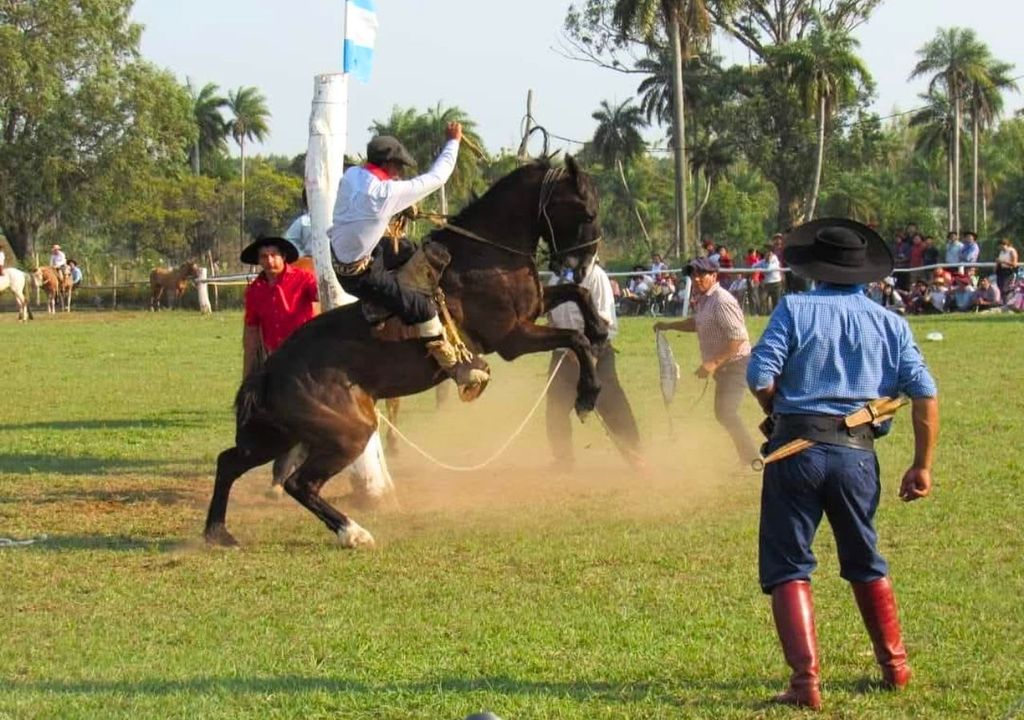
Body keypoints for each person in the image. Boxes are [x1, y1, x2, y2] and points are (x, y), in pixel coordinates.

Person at [746, 218, 938, 710]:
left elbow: (758, 374)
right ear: (864, 272)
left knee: (789, 564)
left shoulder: (794, 308)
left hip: (795, 453)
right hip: (857, 455)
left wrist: (780, 414)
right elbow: (924, 393)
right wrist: (922, 465)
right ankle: (895, 669)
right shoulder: (891, 322)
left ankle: (805, 683)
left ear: (815, 268)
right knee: (864, 559)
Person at [328, 121, 488, 396]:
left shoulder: (353, 175)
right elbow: (438, 177)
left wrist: (400, 207)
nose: (401, 172)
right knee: (421, 308)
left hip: (352, 254)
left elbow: (364, 214)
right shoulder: (385, 193)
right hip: (360, 276)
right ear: (389, 165)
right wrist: (453, 141)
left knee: (415, 250)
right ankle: (454, 368)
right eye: (399, 167)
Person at [653, 257, 759, 466]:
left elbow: (738, 339)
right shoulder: (705, 299)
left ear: (714, 276)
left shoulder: (721, 300)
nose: (697, 278)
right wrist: (669, 325)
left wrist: (713, 363)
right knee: (724, 413)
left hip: (736, 364)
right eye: (694, 274)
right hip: (726, 366)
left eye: (701, 274)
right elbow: (697, 323)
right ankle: (749, 457)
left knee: (726, 412)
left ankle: (752, 458)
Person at [546, 257, 642, 471]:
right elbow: (551, 314)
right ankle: (563, 459)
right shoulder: (555, 278)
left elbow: (603, 320)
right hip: (563, 352)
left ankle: (636, 455)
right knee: (555, 407)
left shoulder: (595, 276)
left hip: (595, 350)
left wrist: (584, 350)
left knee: (611, 404)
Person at [241, 236, 320, 379]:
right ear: (259, 261)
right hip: (276, 358)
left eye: (273, 255)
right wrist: (247, 375)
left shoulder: (304, 279)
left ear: (283, 257)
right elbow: (252, 330)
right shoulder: (254, 291)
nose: (269, 261)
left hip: (306, 355)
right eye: (264, 257)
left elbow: (323, 296)